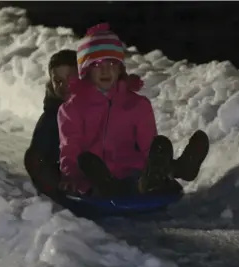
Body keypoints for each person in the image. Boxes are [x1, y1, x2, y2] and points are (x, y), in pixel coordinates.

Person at [58, 23, 210, 198]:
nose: (106, 70)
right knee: (87, 162)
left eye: (112, 63)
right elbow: (70, 148)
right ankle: (114, 188)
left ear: (120, 69)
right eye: (98, 64)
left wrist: (157, 167)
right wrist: (70, 175)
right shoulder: (72, 109)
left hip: (132, 173)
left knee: (159, 145)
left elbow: (148, 147)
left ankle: (167, 173)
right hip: (94, 176)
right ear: (86, 70)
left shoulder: (138, 104)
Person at [24, 49, 78, 200]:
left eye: (70, 78)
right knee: (34, 158)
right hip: (60, 171)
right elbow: (36, 155)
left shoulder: (96, 106)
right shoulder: (51, 116)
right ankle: (60, 191)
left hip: (90, 168)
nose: (65, 85)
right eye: (58, 81)